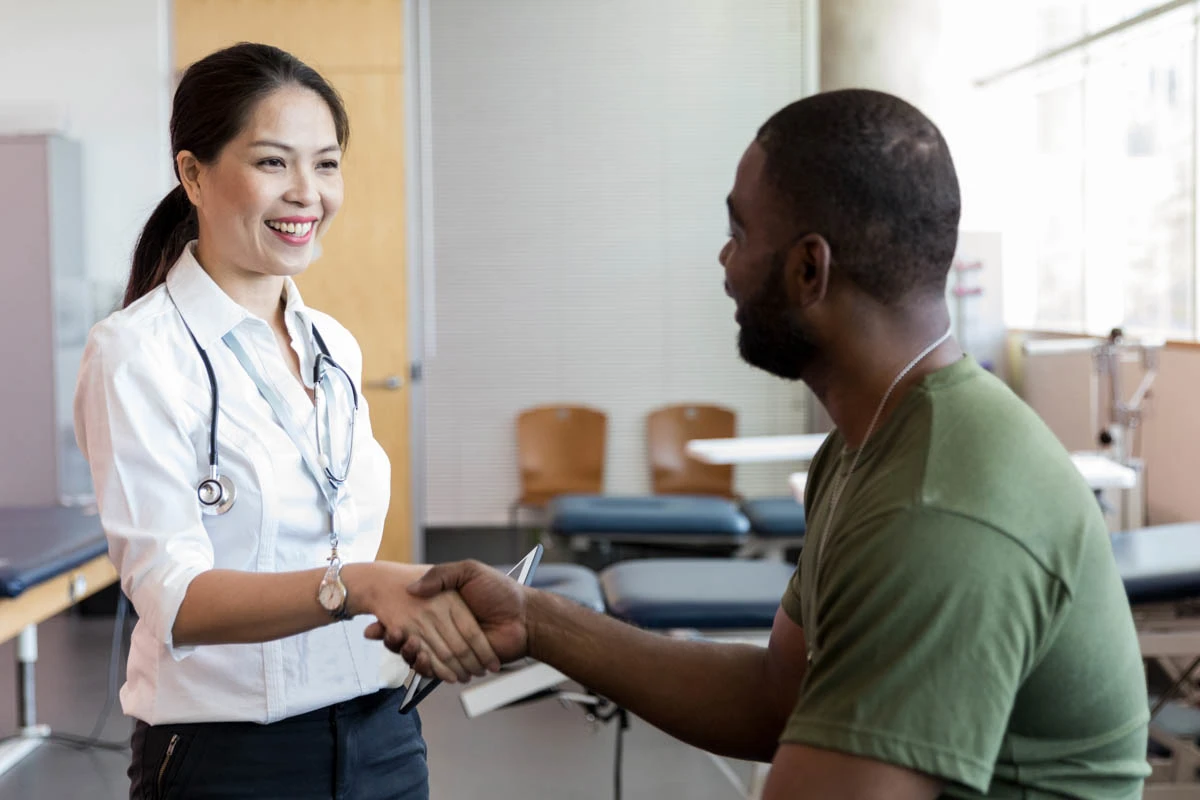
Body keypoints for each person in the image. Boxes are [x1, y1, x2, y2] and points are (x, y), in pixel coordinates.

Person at [387, 89, 1152, 799]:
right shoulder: (863, 447)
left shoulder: (936, 507)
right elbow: (774, 698)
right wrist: (536, 619)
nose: (724, 263)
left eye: (738, 234)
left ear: (809, 268)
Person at [74, 42, 497, 799]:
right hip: (232, 758)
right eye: (274, 163)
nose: (308, 193)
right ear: (193, 174)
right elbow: (172, 595)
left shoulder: (332, 344)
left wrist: (418, 613)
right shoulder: (135, 353)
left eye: (326, 164)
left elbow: (341, 529)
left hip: (383, 733)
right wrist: (358, 586)